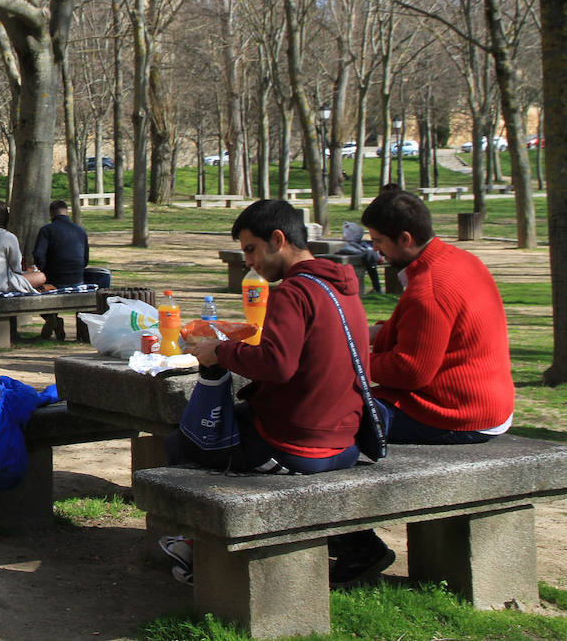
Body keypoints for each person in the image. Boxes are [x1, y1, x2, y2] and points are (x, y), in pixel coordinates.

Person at [159, 200, 369, 586]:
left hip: (296, 443)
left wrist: (218, 351)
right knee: (224, 426)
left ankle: (203, 553)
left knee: (183, 441)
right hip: (344, 436)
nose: (249, 261)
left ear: (278, 239)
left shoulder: (293, 291)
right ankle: (358, 542)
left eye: (251, 249)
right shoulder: (343, 287)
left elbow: (278, 363)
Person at [325, 186, 519, 588]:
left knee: (323, 424)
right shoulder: (456, 261)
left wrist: (346, 361)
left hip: (459, 413)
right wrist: (355, 335)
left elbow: (412, 370)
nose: (376, 251)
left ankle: (359, 548)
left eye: (379, 242)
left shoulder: (429, 287)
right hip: (482, 400)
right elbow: (409, 335)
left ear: (405, 239)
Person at [31, 200, 91, 338]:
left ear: (51, 214)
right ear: (67, 212)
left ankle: (53, 319)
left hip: (54, 280)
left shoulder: (47, 230)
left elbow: (38, 256)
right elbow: (85, 259)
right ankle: (79, 332)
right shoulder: (80, 231)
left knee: (31, 289)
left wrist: (43, 270)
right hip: (77, 280)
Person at [335, 220, 383, 293]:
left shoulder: (356, 245)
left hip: (370, 261)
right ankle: (377, 288)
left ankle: (377, 288)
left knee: (371, 265)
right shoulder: (353, 245)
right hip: (369, 260)